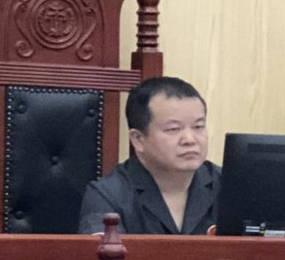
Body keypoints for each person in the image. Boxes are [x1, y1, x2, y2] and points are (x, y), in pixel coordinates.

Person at [78, 76, 220, 235]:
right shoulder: (108, 195)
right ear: (138, 139)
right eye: (173, 129)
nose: (190, 139)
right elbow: (104, 250)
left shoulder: (230, 185)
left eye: (198, 126)